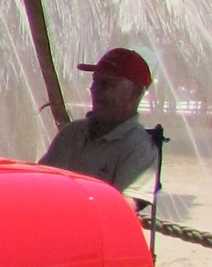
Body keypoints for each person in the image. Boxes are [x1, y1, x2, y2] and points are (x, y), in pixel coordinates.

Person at [40, 47, 160, 192]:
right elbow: (38, 181)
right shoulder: (71, 133)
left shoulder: (139, 147)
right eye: (95, 81)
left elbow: (124, 208)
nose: (95, 89)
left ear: (135, 93)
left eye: (107, 84)